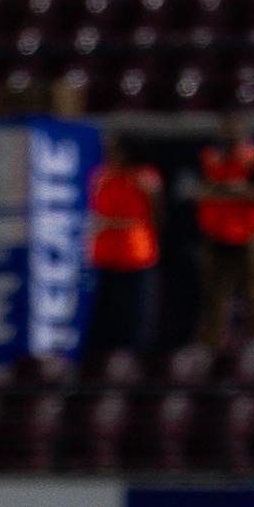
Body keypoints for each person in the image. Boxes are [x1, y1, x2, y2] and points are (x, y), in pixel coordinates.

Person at [193, 113, 254, 348]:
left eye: (235, 128)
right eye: (226, 128)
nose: (230, 133)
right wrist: (215, 190)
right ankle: (213, 344)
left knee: (253, 290)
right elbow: (197, 190)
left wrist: (240, 190)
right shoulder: (209, 157)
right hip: (215, 232)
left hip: (247, 232)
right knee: (215, 292)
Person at [86, 135, 163, 357]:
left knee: (137, 315)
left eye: (115, 150)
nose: (110, 155)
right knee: (107, 313)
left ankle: (136, 358)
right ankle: (102, 358)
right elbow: (97, 211)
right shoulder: (101, 177)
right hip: (106, 255)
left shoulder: (145, 177)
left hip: (136, 255)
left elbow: (156, 216)